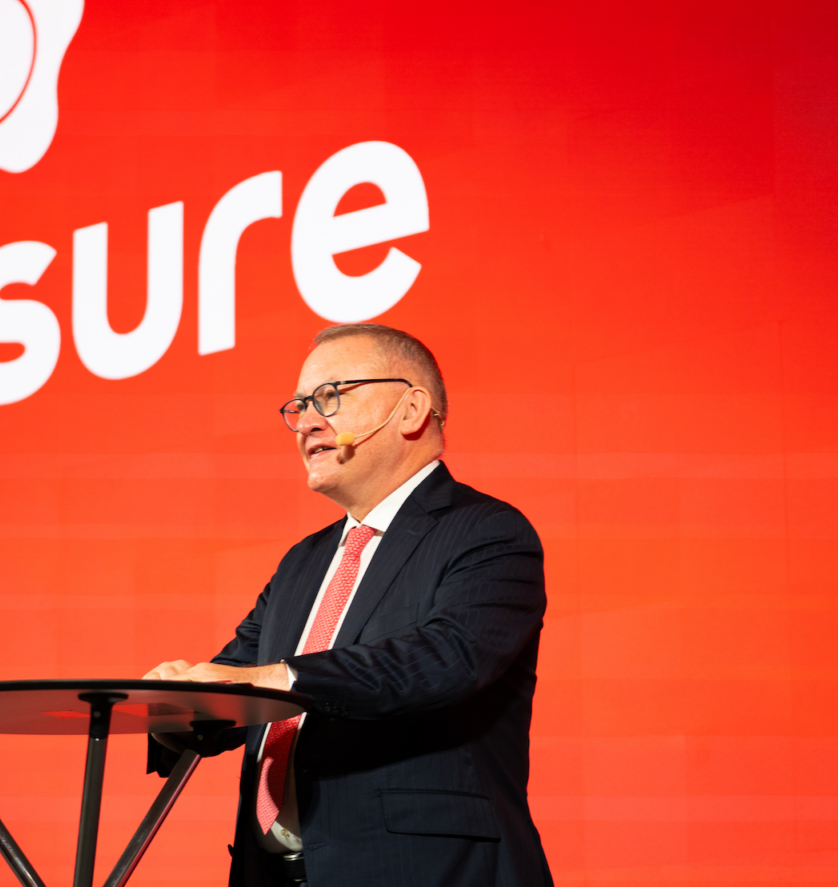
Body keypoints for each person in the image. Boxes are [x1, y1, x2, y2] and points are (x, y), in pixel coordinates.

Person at [145, 324, 552, 887]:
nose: (307, 421)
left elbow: (445, 659)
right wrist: (177, 705)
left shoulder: (486, 532)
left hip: (423, 871)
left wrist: (276, 678)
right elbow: (238, 683)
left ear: (411, 409)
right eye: (299, 406)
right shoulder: (302, 562)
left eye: (331, 397)